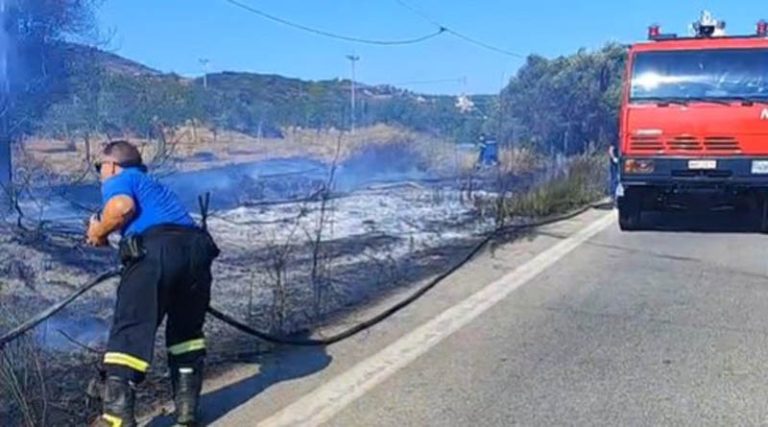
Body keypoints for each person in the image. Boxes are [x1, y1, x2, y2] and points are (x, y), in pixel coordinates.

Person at [86, 140, 219, 427]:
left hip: (157, 251)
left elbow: (122, 207)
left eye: (100, 167)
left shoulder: (120, 179)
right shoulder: (152, 184)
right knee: (186, 332)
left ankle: (116, 418)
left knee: (130, 330)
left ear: (110, 165)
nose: (100, 173)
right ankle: (187, 412)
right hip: (197, 251)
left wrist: (98, 232)